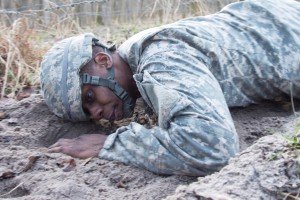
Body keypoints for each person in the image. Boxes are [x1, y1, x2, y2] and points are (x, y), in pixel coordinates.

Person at [40, 0, 300, 176]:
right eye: (87, 112)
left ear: (102, 60)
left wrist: (108, 145)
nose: (95, 112)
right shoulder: (137, 49)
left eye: (89, 96)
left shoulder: (160, 59)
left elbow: (211, 147)